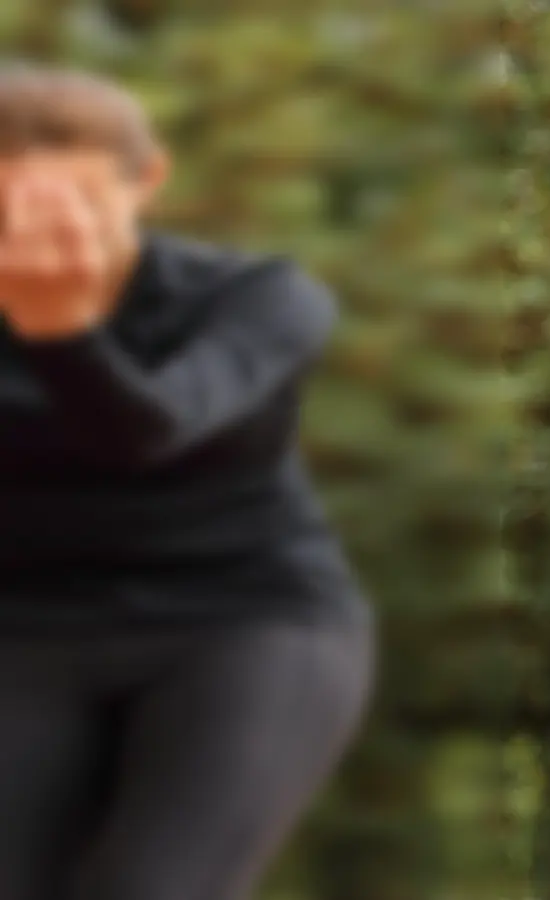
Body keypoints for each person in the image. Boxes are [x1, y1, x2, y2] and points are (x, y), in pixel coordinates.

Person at [0, 64, 373, 899]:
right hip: (24, 629)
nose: (44, 235)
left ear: (147, 180)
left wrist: (60, 334)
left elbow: (152, 433)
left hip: (242, 623)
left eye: (77, 202)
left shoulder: (252, 300)